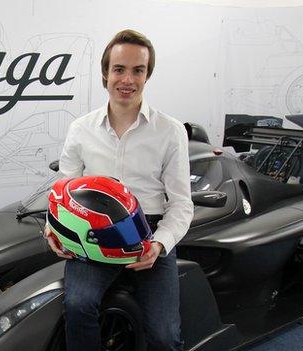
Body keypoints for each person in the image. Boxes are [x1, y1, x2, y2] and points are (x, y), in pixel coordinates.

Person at [44, 29, 193, 351]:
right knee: (78, 305)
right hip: (92, 234)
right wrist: (53, 230)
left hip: (148, 234)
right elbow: (62, 190)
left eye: (137, 70)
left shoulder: (171, 130)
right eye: (119, 69)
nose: (127, 79)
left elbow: (182, 204)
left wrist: (159, 245)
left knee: (166, 336)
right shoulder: (80, 129)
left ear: (147, 75)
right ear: (105, 74)